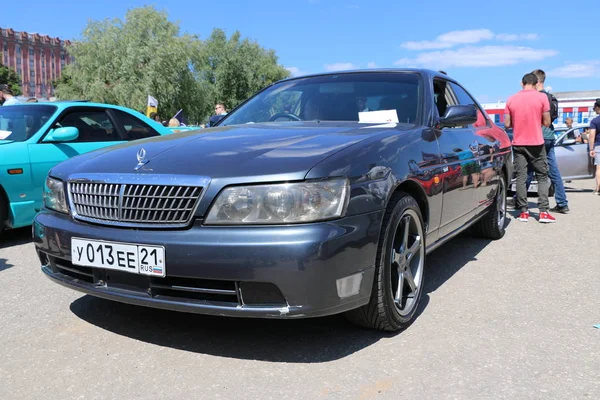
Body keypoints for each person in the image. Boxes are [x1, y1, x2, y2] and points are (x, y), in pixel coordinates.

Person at [504, 73, 555, 223]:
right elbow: (547, 121)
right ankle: (544, 212)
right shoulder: (542, 98)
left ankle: (523, 212)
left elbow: (507, 124)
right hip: (537, 143)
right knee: (542, 176)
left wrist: (518, 123)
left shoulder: (511, 99)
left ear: (522, 83)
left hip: (518, 143)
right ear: (536, 83)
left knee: (520, 177)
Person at [532, 69, 569, 213]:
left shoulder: (537, 97)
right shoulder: (551, 97)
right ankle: (562, 202)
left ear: (536, 81)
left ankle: (518, 200)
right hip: (549, 136)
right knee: (554, 171)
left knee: (528, 168)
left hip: (537, 136)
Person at [588, 98, 600, 195]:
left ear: (597, 107)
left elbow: (592, 135)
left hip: (599, 146)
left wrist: (591, 148)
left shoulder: (595, 121)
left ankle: (598, 189)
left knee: (599, 168)